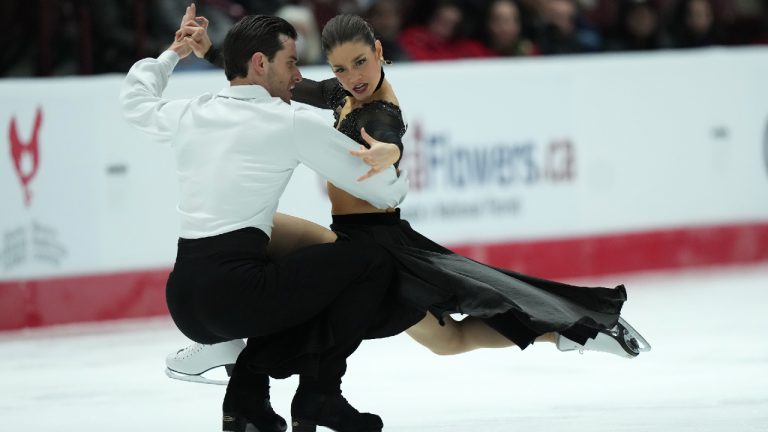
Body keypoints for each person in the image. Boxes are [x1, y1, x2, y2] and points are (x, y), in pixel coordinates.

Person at [169, 10, 651, 384]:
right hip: (350, 238)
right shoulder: (342, 95)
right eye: (341, 68)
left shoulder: (379, 110)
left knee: (452, 339)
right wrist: (215, 53)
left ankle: (572, 334)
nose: (353, 76)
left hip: (381, 248)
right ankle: (229, 339)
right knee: (256, 229)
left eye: (361, 62)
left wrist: (388, 151)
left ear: (379, 51)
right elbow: (288, 86)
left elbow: (388, 133)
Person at [121, 8, 413, 432]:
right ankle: (320, 395)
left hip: (183, 299)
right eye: (291, 62)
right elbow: (384, 190)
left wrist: (171, 55)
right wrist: (394, 163)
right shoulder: (290, 122)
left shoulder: (191, 112)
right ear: (261, 63)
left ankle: (246, 405)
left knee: (296, 271)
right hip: (237, 297)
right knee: (371, 261)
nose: (297, 76)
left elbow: (134, 101)